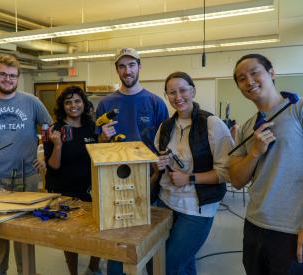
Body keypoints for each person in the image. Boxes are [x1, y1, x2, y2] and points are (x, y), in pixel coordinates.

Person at [95, 48, 169, 275]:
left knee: (147, 239)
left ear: (139, 66)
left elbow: (164, 145)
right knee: (116, 241)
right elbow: (97, 146)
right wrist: (102, 137)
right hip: (113, 181)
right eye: (121, 66)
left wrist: (157, 175)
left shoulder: (155, 103)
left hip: (148, 182)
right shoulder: (106, 104)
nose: (127, 71)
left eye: (131, 65)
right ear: (117, 70)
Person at [229, 53, 303, 275]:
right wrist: (254, 153)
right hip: (254, 225)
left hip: (290, 228)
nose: (249, 81)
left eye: (254, 72)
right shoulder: (247, 128)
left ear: (271, 73)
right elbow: (237, 180)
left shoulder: (298, 111)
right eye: (241, 78)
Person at [153, 71, 233, 275]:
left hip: (196, 208)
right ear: (166, 96)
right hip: (166, 201)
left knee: (166, 266)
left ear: (193, 91)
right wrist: (159, 163)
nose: (178, 97)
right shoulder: (165, 126)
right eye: (171, 92)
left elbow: (226, 172)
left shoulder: (212, 124)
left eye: (182, 90)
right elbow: (157, 159)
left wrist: (189, 178)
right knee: (184, 263)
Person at [0, 54, 52, 275]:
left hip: (27, 177)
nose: (7, 79)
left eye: (12, 75)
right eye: (2, 74)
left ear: (18, 78)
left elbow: (49, 131)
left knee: (24, 238)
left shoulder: (31, 102)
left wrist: (43, 158)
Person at [43, 86, 101, 275]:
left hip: (90, 188)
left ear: (84, 103)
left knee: (98, 231)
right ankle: (73, 272)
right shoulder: (54, 130)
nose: (73, 105)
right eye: (68, 102)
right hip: (64, 190)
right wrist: (58, 145)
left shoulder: (92, 128)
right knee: (70, 236)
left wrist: (104, 141)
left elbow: (99, 156)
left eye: (77, 101)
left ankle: (93, 269)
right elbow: (53, 166)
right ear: (63, 106)